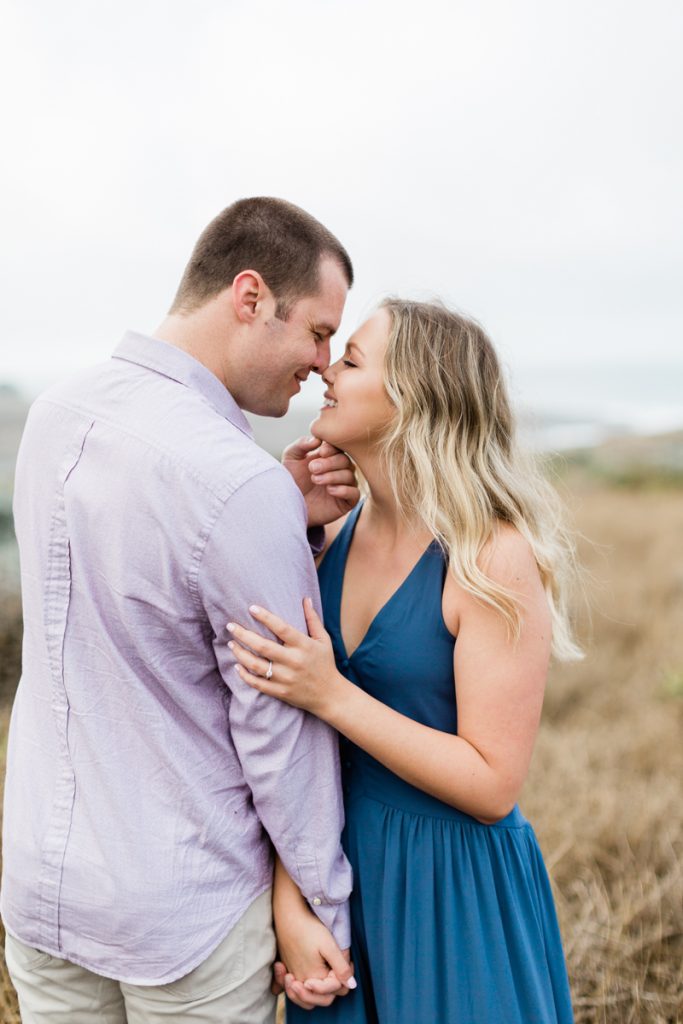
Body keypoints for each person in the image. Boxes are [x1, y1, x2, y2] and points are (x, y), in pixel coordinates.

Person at [1, 197, 359, 1023]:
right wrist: (321, 908)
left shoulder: (56, 415)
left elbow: (125, 608)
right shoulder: (236, 479)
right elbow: (278, 727)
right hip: (183, 910)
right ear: (248, 296)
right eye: (314, 331)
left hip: (44, 891)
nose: (321, 363)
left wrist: (284, 520)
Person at [227, 298, 581, 1023]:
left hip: (451, 890)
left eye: (351, 359)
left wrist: (333, 696)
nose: (324, 368)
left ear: (413, 398)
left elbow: (491, 783)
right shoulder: (334, 535)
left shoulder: (491, 554)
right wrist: (292, 903)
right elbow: (295, 749)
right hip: (335, 881)